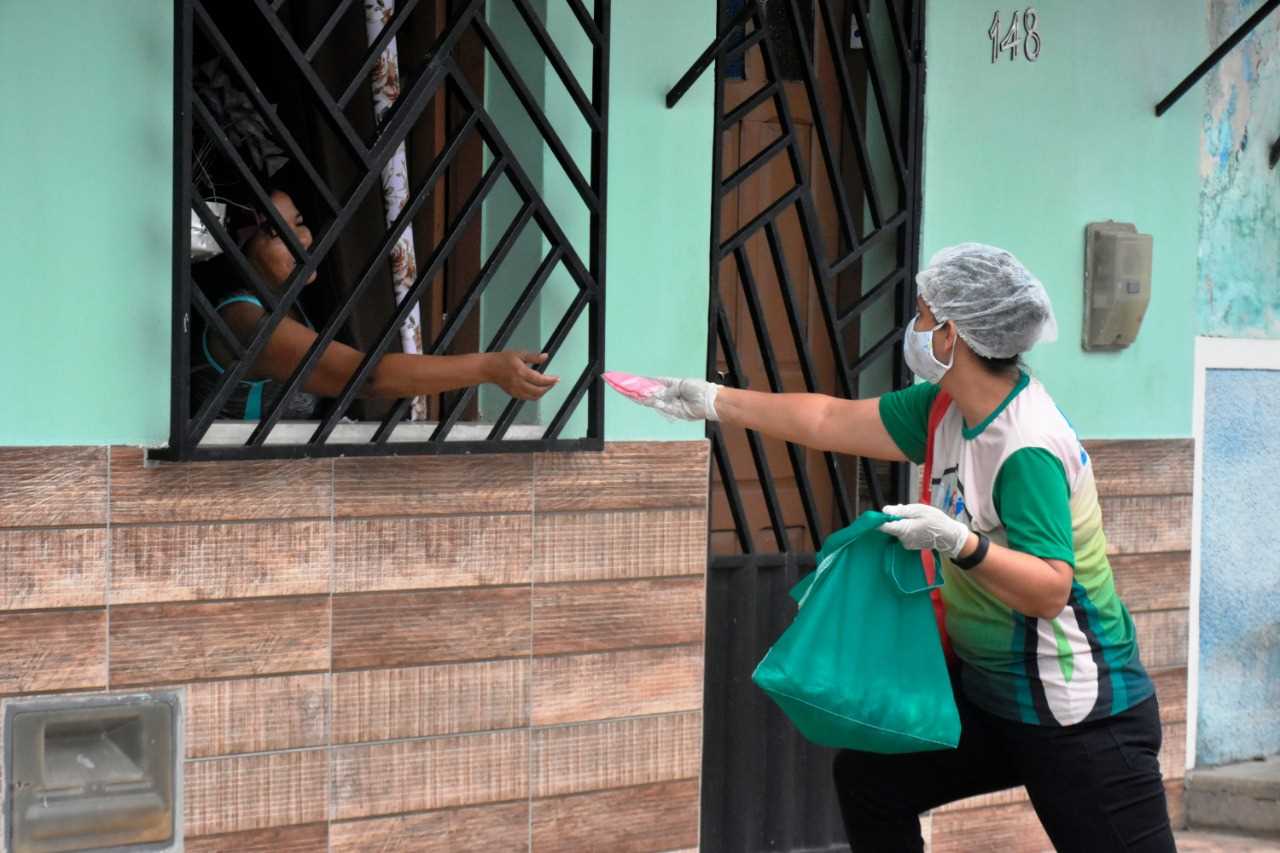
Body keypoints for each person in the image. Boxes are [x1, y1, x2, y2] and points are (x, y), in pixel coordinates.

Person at [622, 244, 1174, 852]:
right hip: (994, 698)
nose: (912, 327)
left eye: (923, 314)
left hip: (1080, 715)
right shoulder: (946, 409)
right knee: (871, 780)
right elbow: (830, 421)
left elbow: (1050, 588)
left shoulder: (1026, 446)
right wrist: (714, 402)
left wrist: (961, 544)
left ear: (952, 335)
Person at [191, 189, 557, 420]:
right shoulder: (243, 319)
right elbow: (363, 378)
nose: (302, 238)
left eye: (300, 223)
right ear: (241, 249)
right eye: (277, 232)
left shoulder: (288, 308)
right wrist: (487, 367)